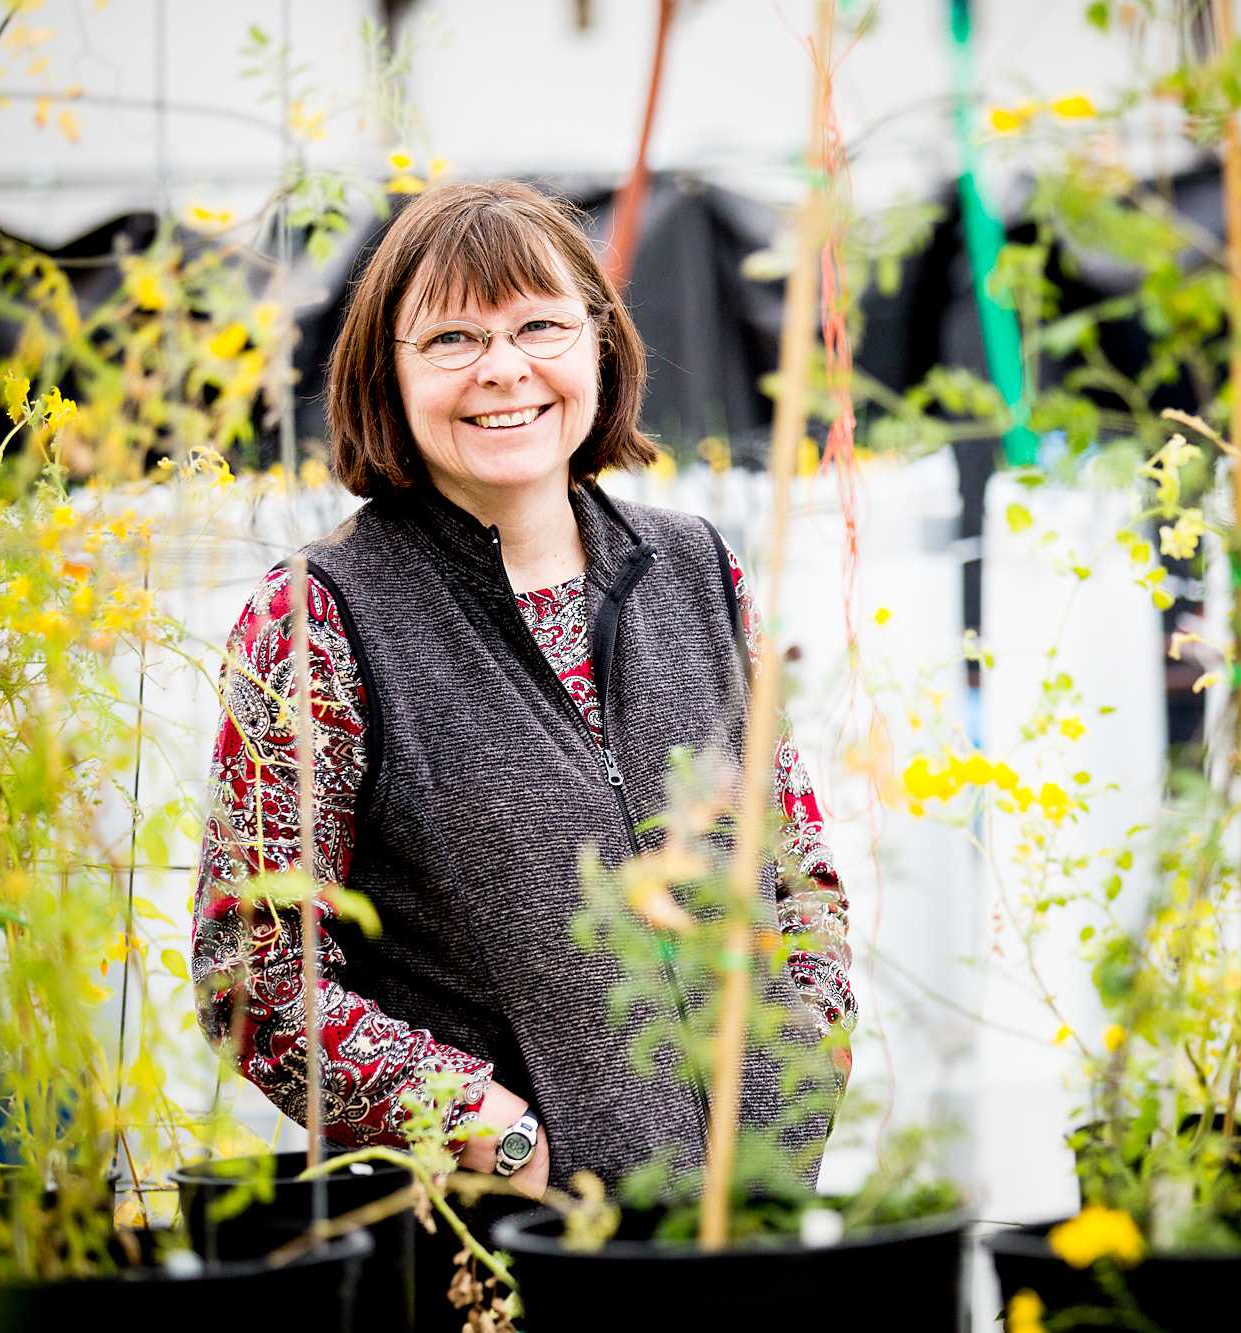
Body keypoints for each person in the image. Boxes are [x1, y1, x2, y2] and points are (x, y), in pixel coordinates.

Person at [190, 180, 855, 1197]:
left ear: (597, 343)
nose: (504, 369)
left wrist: (803, 1067)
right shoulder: (317, 618)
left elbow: (797, 871)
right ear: (387, 374)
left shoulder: (693, 568)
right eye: (451, 339)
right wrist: (480, 1126)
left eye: (539, 324)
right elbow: (254, 972)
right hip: (503, 1248)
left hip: (740, 1225)